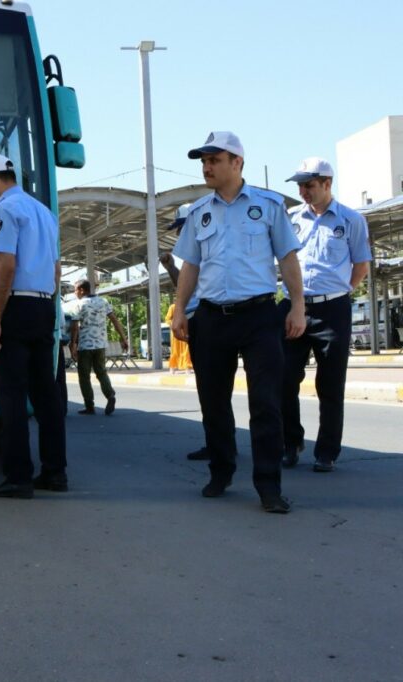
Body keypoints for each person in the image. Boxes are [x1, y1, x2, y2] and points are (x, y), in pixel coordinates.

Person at [171, 131, 306, 514]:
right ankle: (221, 469)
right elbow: (190, 266)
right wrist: (181, 309)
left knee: (266, 403)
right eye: (203, 160)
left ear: (237, 163)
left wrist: (297, 306)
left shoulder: (269, 206)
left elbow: (288, 259)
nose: (206, 166)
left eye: (214, 159)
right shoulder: (199, 212)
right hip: (212, 319)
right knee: (213, 402)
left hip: (260, 316)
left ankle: (268, 485)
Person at [0, 154, 67, 499]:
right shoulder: (44, 212)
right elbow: (57, 269)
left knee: (12, 396)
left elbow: (6, 266)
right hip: (44, 305)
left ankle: (18, 477)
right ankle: (55, 473)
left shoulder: (4, 209)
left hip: (17, 306)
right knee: (47, 397)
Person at [281, 158, 372, 473]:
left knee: (330, 383)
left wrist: (338, 293)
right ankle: (290, 443)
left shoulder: (351, 220)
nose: (303, 191)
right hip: (294, 306)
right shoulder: (290, 219)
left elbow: (361, 265)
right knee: (284, 378)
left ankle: (327, 452)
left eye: (309, 185)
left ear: (327, 184)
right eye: (300, 186)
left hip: (332, 309)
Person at [160, 203, 210, 462]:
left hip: (206, 317)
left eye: (179, 228)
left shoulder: (207, 245)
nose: (178, 235)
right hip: (195, 317)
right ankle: (217, 441)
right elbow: (184, 285)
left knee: (212, 386)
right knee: (209, 386)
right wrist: (170, 266)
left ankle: (220, 444)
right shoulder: (191, 251)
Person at [65, 279, 128, 416]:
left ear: (82, 290)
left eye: (75, 290)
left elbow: (74, 327)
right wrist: (124, 338)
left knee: (84, 376)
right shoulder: (103, 302)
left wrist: (72, 344)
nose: (75, 293)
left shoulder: (79, 304)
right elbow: (115, 320)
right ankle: (110, 395)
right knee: (101, 372)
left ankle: (89, 406)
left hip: (85, 346)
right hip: (100, 345)